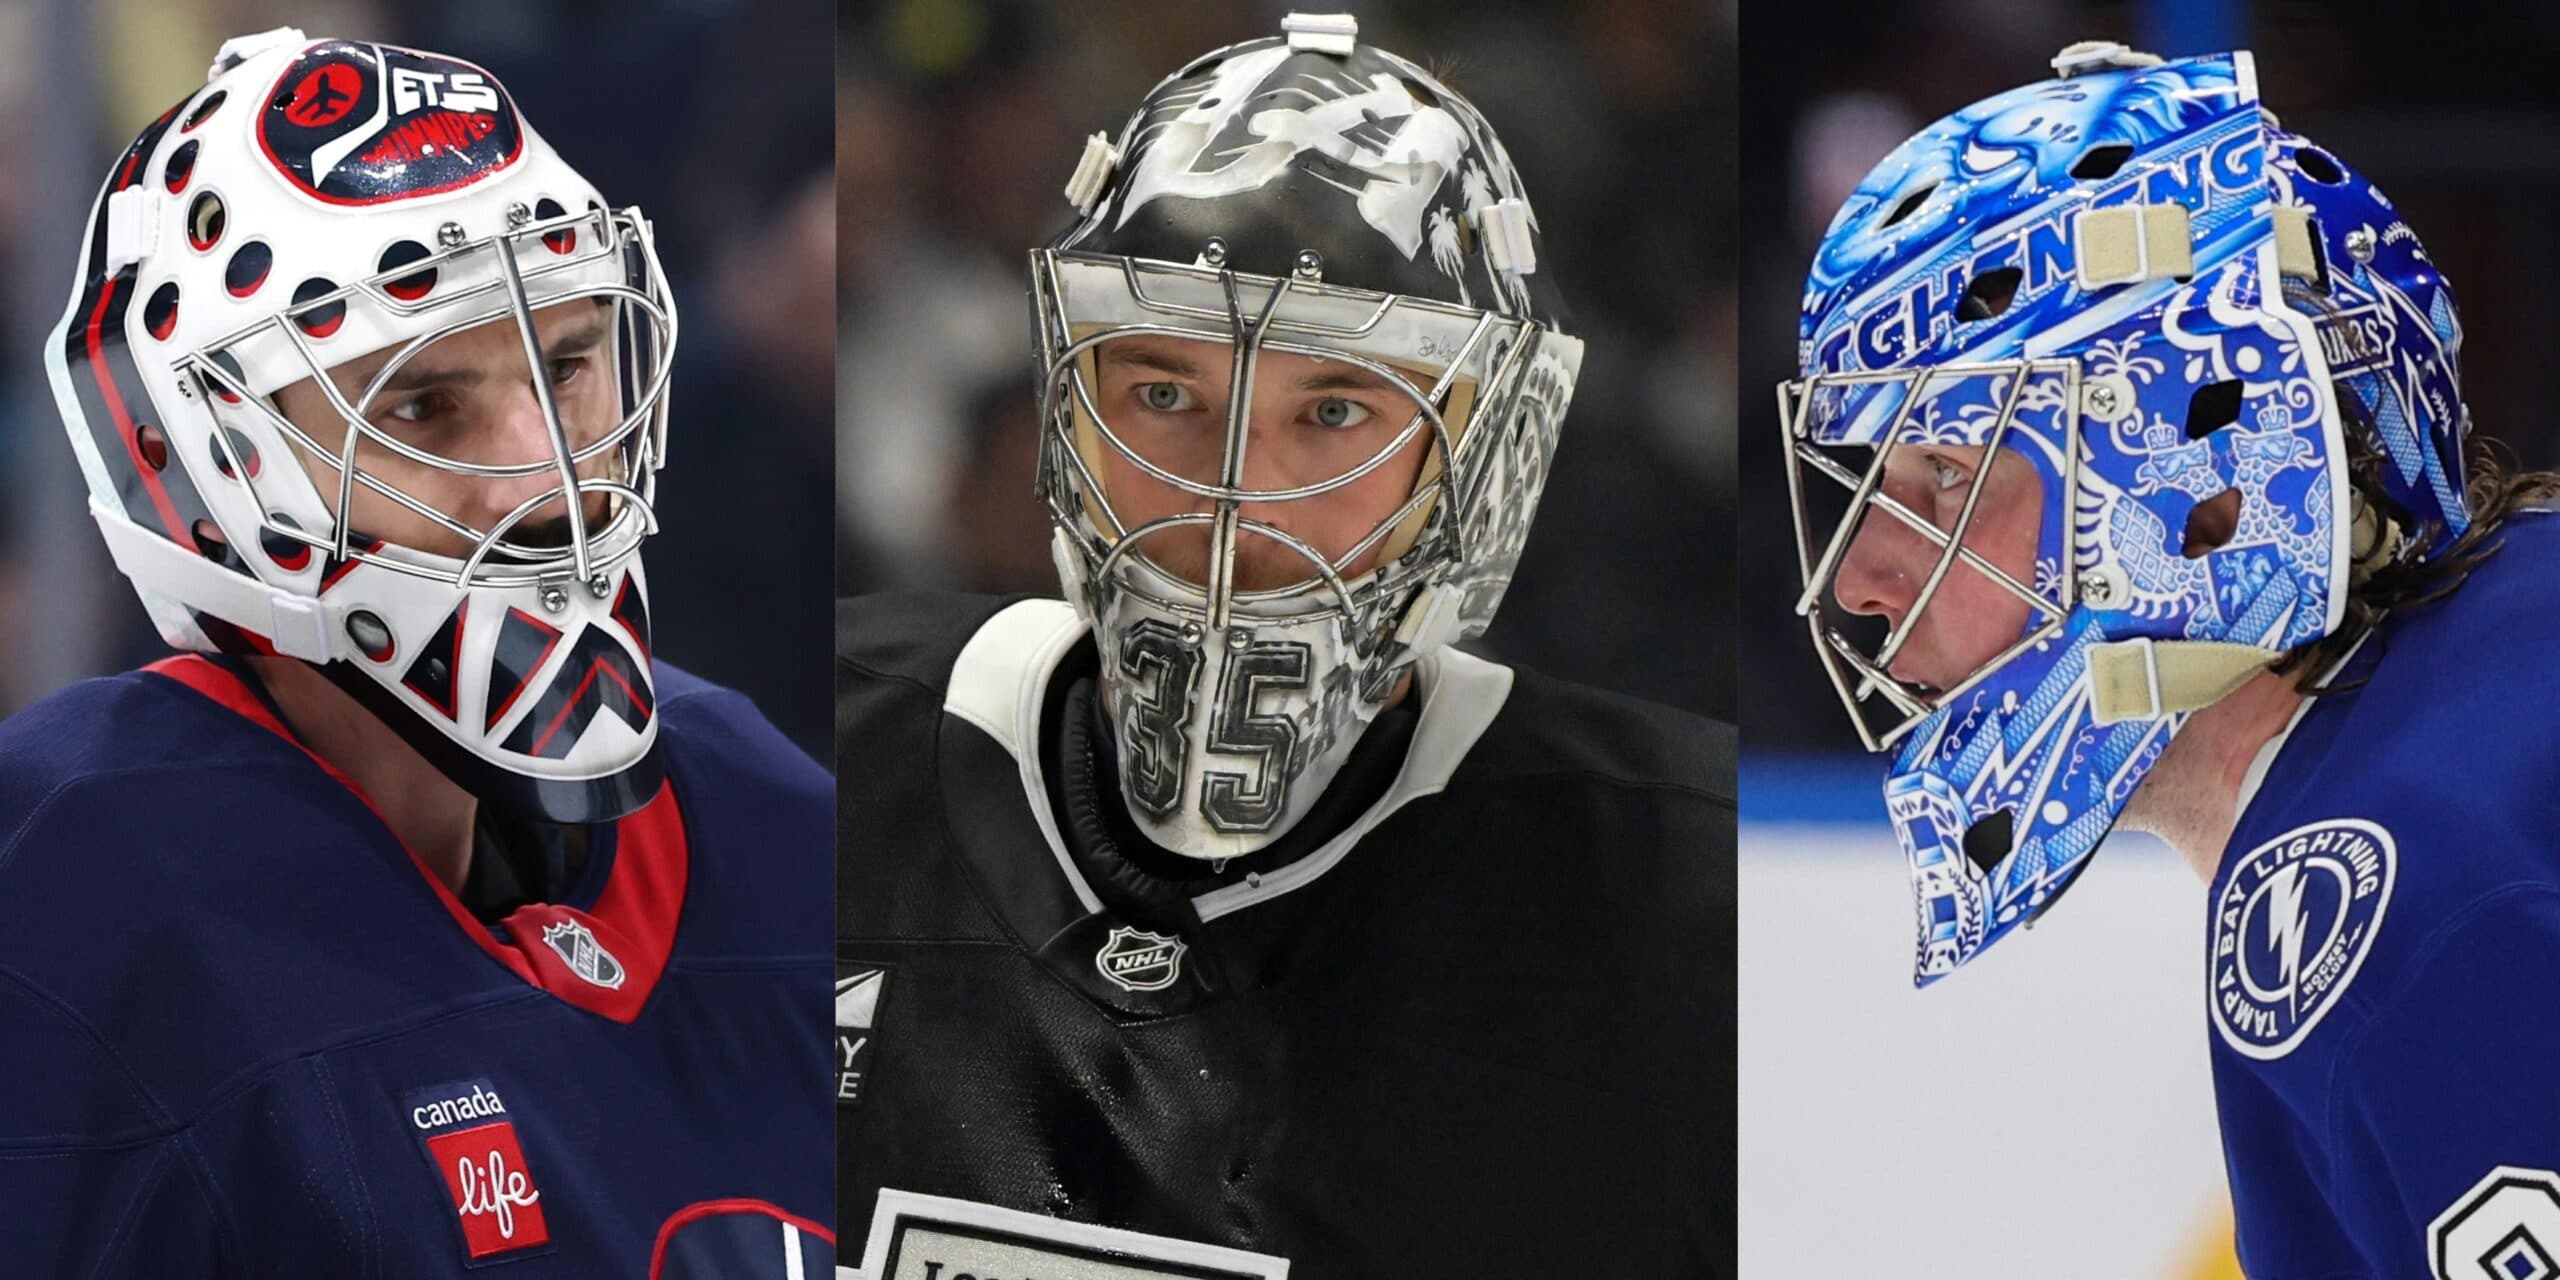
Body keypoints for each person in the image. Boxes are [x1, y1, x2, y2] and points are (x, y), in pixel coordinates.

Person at [835, 12, 1733, 1274]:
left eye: (1333, 410)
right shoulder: (819, 758)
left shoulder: (1682, 911)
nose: (1229, 498)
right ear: (1060, 413)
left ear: (1486, 462)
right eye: (1161, 395)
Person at [0, 30, 831, 1274]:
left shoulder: (761, 810)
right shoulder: (73, 882)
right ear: (222, 467)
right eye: (420, 404)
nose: (542, 471)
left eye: (566, 366)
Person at [1784, 41, 2560, 1275]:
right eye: (1875, 490)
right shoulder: (2516, 618)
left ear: (2202, 488)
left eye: (1946, 478)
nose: (1866, 582)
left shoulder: (2386, 902)